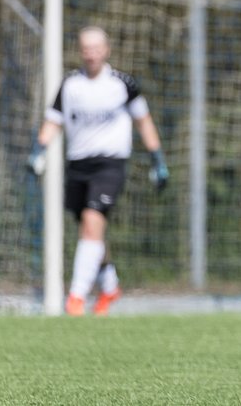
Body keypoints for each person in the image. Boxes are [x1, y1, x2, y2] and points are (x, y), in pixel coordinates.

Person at [28, 26, 169, 316]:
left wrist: (157, 159)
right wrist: (38, 152)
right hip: (78, 165)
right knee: (90, 231)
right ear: (80, 51)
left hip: (110, 164)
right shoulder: (69, 85)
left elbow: (143, 121)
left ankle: (76, 298)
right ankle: (110, 286)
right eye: (86, 48)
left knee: (92, 222)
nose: (91, 54)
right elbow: (53, 120)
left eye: (96, 48)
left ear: (106, 50)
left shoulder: (123, 84)